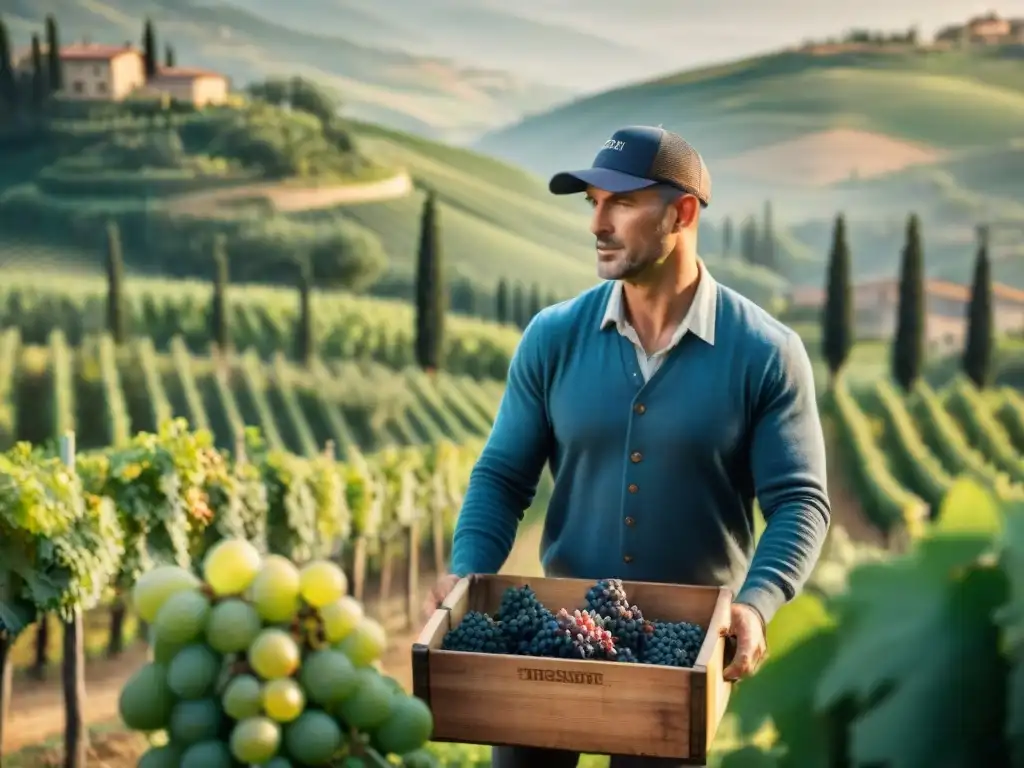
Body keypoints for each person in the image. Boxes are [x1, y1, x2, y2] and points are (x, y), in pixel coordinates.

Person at [424, 125, 831, 768]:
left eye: (621, 202)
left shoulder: (766, 353)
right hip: (560, 637)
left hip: (682, 654)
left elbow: (801, 503)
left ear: (683, 211)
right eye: (593, 202)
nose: (599, 223)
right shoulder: (553, 338)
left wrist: (755, 606)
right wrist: (467, 568)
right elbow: (503, 475)